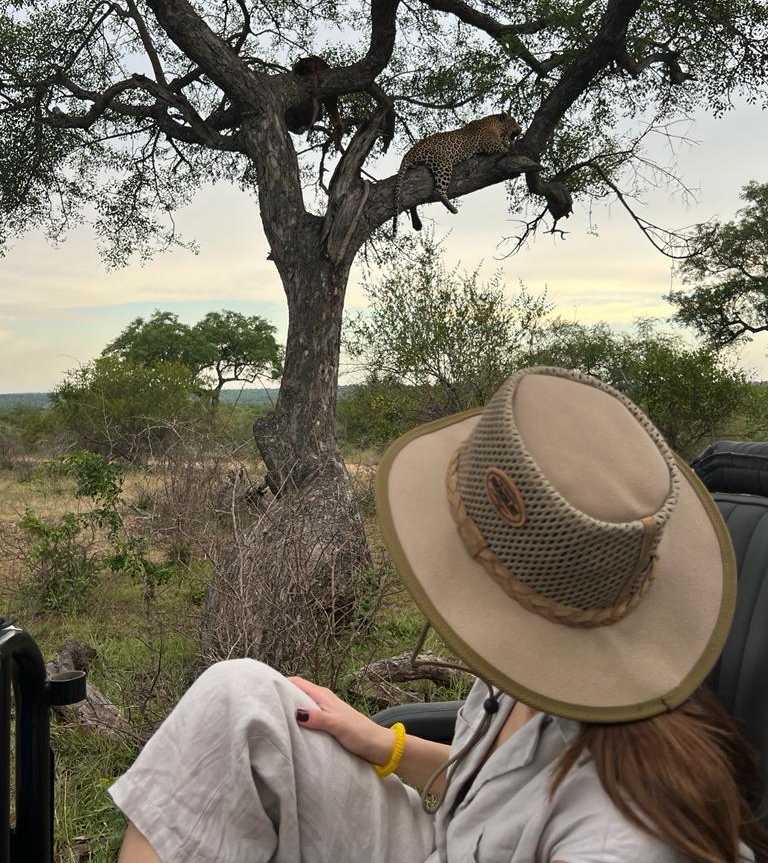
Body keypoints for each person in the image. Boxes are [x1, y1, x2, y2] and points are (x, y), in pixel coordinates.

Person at [110, 367, 768, 863]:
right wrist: (388, 747)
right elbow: (495, 785)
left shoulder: (618, 841)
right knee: (239, 700)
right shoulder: (533, 664)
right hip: (448, 839)